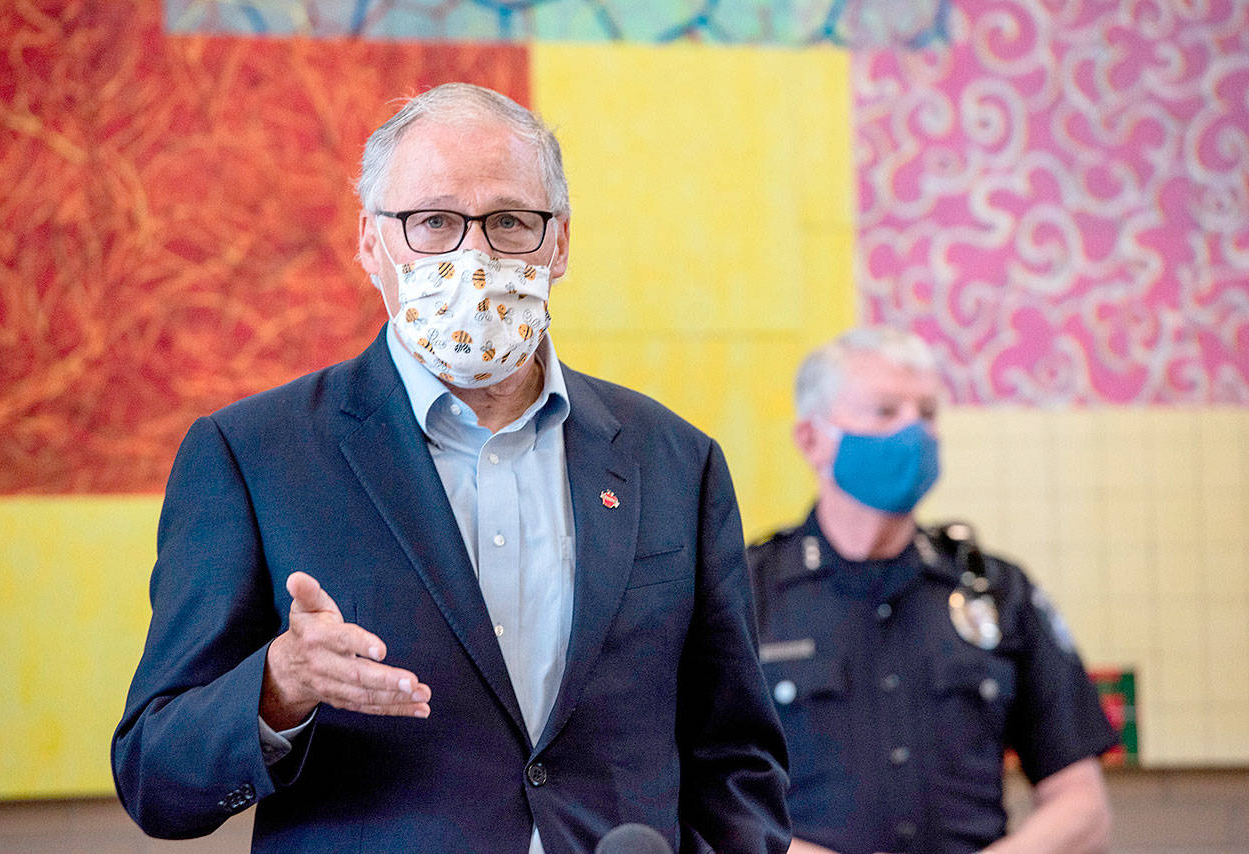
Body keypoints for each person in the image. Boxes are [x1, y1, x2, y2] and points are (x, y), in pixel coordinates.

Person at [112, 83, 791, 854]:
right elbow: (154, 778)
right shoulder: (252, 455)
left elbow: (735, 757)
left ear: (558, 244)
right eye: (433, 222)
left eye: (508, 221)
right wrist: (277, 687)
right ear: (372, 244)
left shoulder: (676, 459)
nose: (474, 254)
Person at [748, 327, 1116, 854]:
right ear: (811, 439)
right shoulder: (746, 593)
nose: (913, 432)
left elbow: (1083, 806)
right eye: (885, 411)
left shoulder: (996, 591)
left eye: (926, 413)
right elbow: (701, 800)